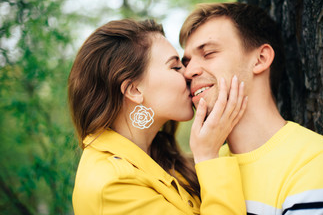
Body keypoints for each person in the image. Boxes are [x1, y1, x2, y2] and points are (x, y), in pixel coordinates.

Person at [180, 2, 323, 215]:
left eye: (208, 53)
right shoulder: (197, 168)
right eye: (186, 61)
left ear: (260, 59)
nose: (188, 71)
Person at [68, 19, 248, 214]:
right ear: (134, 89)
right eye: (175, 67)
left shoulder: (160, 158)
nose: (188, 74)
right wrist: (208, 157)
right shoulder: (111, 185)